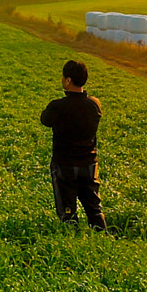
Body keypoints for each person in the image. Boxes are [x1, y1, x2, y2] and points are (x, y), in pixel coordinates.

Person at [39, 59, 107, 230]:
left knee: (68, 213)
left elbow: (45, 120)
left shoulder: (58, 106)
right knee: (94, 210)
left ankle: (72, 241)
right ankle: (102, 238)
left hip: (65, 165)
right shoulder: (94, 105)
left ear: (68, 80)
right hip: (89, 164)